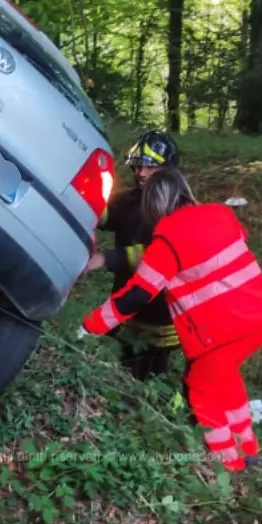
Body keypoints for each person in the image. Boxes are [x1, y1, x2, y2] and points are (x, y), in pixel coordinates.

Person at [79, 167, 262, 473]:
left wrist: (90, 325)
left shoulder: (168, 240)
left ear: (154, 205)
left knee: (200, 385)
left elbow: (136, 295)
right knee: (224, 377)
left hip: (227, 327)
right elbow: (235, 241)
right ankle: (249, 450)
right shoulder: (221, 214)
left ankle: (230, 465)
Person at [82, 129, 182, 380]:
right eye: (139, 167)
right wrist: (82, 199)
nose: (142, 173)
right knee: (126, 367)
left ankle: (155, 412)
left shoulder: (175, 208)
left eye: (150, 167)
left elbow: (156, 256)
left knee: (150, 374)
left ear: (168, 169)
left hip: (160, 314)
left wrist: (106, 259)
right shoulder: (132, 199)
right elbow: (107, 215)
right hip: (129, 305)